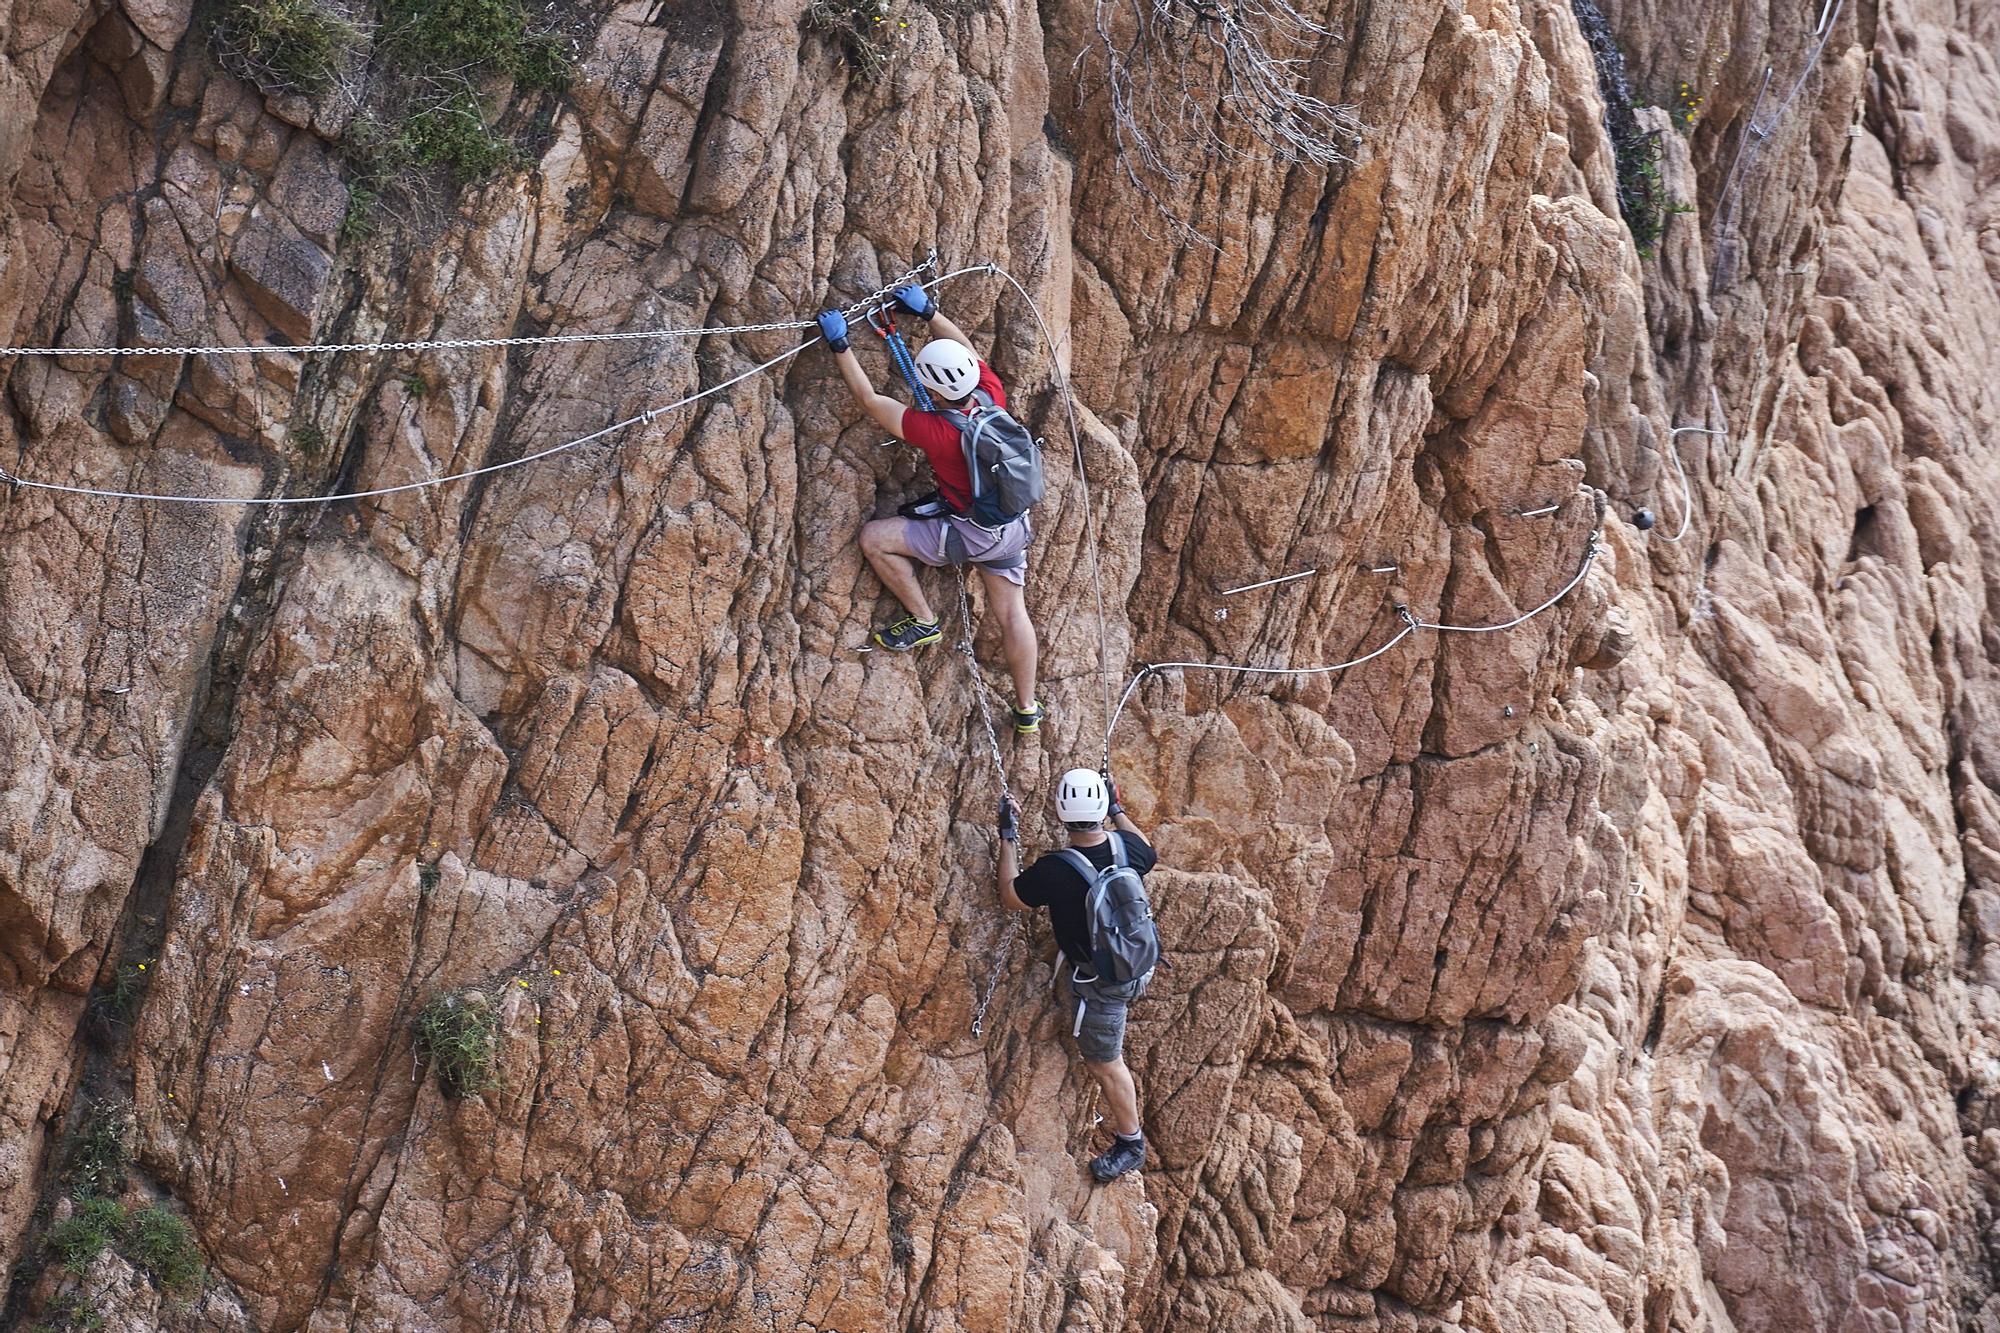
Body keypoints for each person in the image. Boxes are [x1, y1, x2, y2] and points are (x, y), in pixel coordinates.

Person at [816, 286, 1044, 734]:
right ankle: (1027, 708)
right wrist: (930, 312)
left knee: (874, 539)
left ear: (932, 390)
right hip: (1014, 525)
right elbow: (967, 350)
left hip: (974, 532)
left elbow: (870, 401)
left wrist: (840, 345)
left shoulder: (934, 430)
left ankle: (923, 620)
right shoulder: (990, 394)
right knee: (1014, 615)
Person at [996, 768, 1156, 1182]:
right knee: (1108, 1049)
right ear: (1102, 806)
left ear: (1060, 814)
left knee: (1105, 1063)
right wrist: (1118, 810)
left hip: (1103, 985)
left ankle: (1130, 1142)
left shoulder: (1056, 870)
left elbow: (1012, 896)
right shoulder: (1129, 849)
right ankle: (1129, 1136)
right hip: (1138, 962)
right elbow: (1147, 849)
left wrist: (1008, 836)